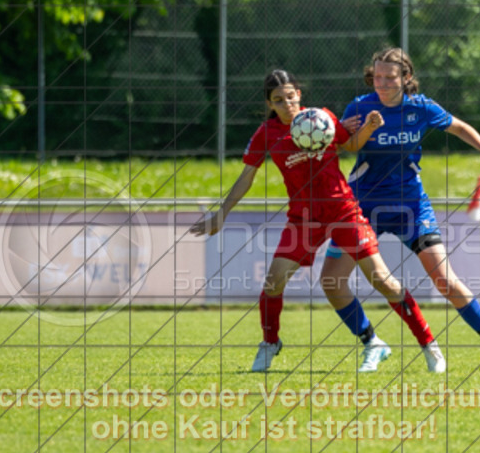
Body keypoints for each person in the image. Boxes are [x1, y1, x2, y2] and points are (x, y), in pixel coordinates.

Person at [190, 69, 446, 374]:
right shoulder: (266, 134)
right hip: (304, 219)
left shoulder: (321, 118)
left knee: (383, 280)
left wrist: (367, 128)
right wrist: (222, 213)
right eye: (278, 100)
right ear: (269, 104)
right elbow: (247, 176)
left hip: (343, 211)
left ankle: (429, 345)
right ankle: (275, 343)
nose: (287, 104)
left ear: (299, 93)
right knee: (273, 283)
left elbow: (350, 145)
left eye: (290, 96)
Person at [323, 47, 480, 371]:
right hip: (362, 206)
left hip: (411, 206)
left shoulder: (421, 107)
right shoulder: (359, 107)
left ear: (406, 78)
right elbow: (346, 147)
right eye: (377, 77)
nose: (383, 83)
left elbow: (458, 126)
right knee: (332, 280)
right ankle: (372, 342)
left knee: (444, 280)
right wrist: (364, 129)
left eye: (390, 77)